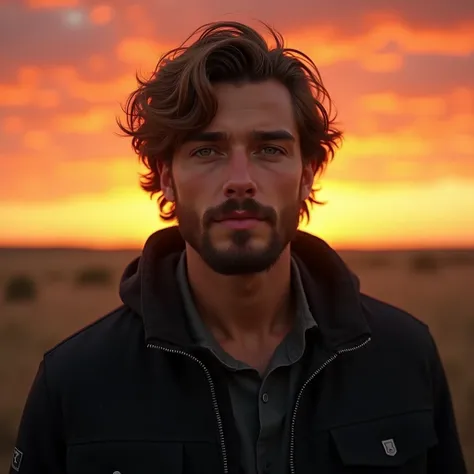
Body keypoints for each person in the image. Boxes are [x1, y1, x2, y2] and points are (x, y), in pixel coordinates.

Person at [10, 21, 466, 474]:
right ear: (167, 178)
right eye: (207, 151)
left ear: (307, 175)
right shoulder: (76, 379)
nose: (241, 180)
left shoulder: (403, 355)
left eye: (270, 149)